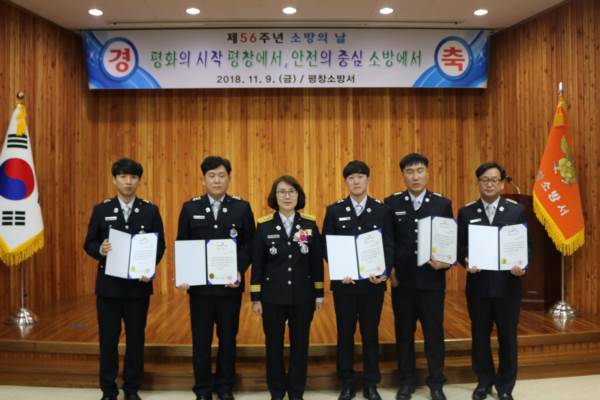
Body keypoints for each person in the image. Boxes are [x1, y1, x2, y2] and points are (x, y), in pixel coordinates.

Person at [84, 158, 166, 400]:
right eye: (123, 176)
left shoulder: (150, 210)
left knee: (136, 340)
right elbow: (89, 242)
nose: (128, 182)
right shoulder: (102, 210)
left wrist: (150, 267)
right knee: (108, 340)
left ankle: (132, 388)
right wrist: (100, 249)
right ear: (114, 180)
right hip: (108, 288)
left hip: (138, 288)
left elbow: (159, 245)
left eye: (133, 177)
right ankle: (108, 390)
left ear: (139, 180)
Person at [176, 155, 255, 400]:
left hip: (229, 287)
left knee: (228, 340)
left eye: (222, 175)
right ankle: (202, 389)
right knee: (201, 340)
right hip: (200, 289)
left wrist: (238, 270)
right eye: (212, 176)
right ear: (203, 180)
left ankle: (225, 386)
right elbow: (183, 243)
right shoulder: (190, 208)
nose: (217, 180)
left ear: (229, 178)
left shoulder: (242, 207)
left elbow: (249, 244)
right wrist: (184, 274)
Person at [457, 162, 531, 400]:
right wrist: (465, 260)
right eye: (484, 180)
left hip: (508, 286)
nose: (489, 184)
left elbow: (526, 246)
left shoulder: (516, 211)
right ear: (478, 183)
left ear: (501, 184)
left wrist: (522, 266)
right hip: (478, 286)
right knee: (480, 336)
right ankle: (484, 381)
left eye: (494, 180)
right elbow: (459, 247)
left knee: (507, 337)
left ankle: (505, 386)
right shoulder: (467, 212)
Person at [322, 160, 394, 400]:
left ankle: (371, 383)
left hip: (372, 285)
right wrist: (339, 268)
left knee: (370, 335)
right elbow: (327, 246)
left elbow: (389, 245)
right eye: (351, 178)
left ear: (368, 180)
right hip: (345, 285)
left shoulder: (382, 210)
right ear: (346, 182)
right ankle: (347, 382)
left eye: (360, 177)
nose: (356, 181)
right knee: (345, 335)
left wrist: (384, 272)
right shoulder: (334, 210)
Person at [384, 153, 452, 400]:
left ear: (427, 173)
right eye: (410, 172)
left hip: (432, 281)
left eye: (420, 170)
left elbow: (449, 240)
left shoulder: (441, 204)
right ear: (403, 175)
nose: (415, 176)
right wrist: (389, 271)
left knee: (434, 334)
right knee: (404, 334)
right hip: (402, 282)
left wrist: (447, 262)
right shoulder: (391, 203)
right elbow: (388, 241)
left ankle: (436, 383)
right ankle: (406, 381)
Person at [251, 175, 324, 400]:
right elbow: (258, 264)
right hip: (272, 296)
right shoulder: (264, 225)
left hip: (303, 296)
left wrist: (319, 294)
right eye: (282, 191)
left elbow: (316, 262)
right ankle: (276, 391)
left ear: (298, 196)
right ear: (275, 196)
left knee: (300, 346)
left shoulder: (309, 224)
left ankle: (296, 392)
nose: (287, 196)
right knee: (273, 346)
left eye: (292, 191)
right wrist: (256, 296)